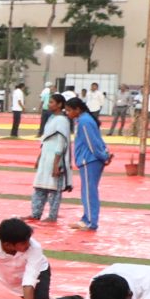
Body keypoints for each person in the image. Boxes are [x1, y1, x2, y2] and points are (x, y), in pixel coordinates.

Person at [66, 96, 112, 230]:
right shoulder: (84, 119)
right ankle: (87, 218)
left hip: (89, 160)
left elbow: (92, 143)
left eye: (69, 111)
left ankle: (91, 221)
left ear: (77, 109)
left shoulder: (84, 121)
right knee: (88, 190)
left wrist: (103, 156)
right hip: (90, 159)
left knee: (89, 191)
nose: (68, 114)